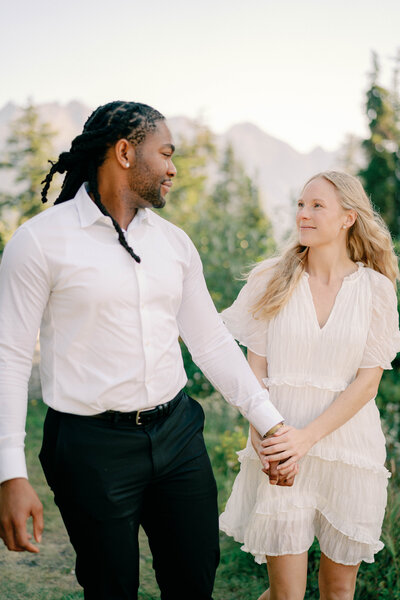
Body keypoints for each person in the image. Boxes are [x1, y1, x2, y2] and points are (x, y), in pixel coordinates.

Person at [0, 101, 296, 600]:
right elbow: (8, 357)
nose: (173, 168)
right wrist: (10, 472)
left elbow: (211, 342)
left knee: (194, 582)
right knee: (110, 588)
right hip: (89, 449)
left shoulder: (175, 245)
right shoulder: (39, 243)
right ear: (123, 153)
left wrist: (272, 422)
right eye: (165, 153)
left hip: (178, 436)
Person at [219, 171, 400, 600]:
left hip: (350, 449)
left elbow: (368, 382)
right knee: (287, 595)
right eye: (301, 204)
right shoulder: (270, 278)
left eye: (317, 205)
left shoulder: (375, 289)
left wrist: (306, 441)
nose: (304, 213)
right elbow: (253, 375)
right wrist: (267, 442)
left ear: (347, 218)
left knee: (338, 592)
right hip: (279, 443)